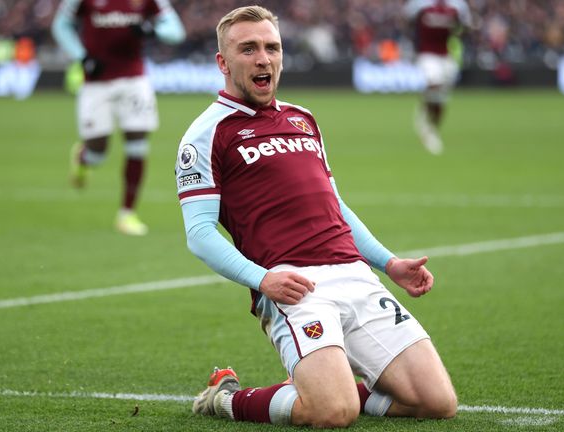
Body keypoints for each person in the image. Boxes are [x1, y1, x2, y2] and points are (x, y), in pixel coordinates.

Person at [175, 6, 457, 428]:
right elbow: (199, 233)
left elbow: (336, 208)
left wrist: (389, 262)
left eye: (272, 48)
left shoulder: (302, 119)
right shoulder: (206, 134)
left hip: (356, 275)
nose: (262, 58)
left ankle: (328, 382)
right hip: (294, 286)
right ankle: (225, 398)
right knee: (332, 412)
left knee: (437, 402)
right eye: (247, 49)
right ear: (223, 62)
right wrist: (262, 279)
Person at [52, 0, 185, 235]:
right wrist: (81, 57)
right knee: (97, 154)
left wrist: (153, 30)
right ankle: (84, 158)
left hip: (134, 80)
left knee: (138, 144)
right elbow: (61, 26)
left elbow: (176, 32)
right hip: (96, 80)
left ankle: (127, 214)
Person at [403, 0, 472, 155]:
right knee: (434, 84)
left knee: (441, 99)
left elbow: (465, 26)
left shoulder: (458, 5)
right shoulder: (419, 4)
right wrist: (414, 41)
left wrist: (456, 33)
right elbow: (406, 20)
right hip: (427, 54)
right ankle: (426, 125)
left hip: (446, 55)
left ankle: (432, 126)